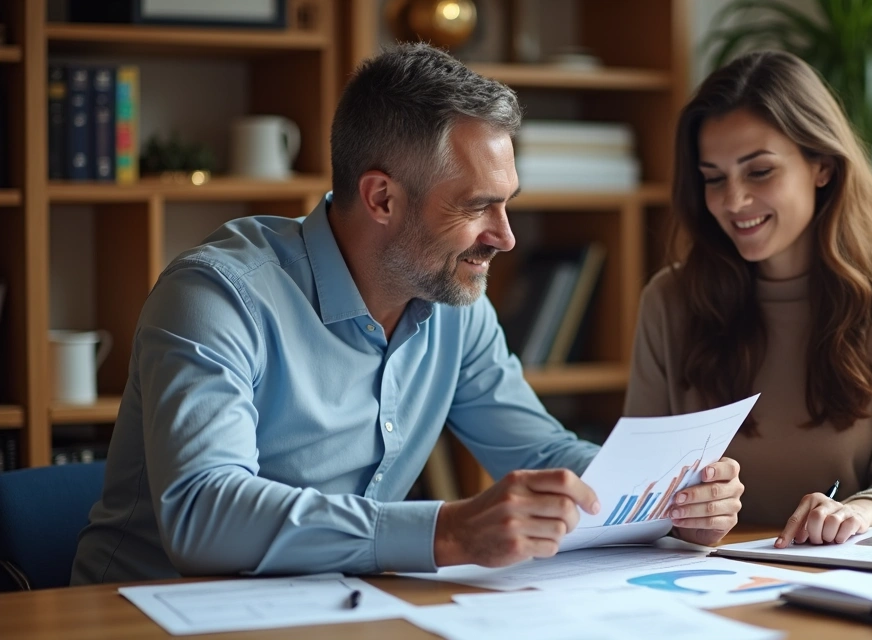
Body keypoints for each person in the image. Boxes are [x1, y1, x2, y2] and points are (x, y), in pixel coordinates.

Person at [72, 43, 743, 585]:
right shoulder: (217, 295)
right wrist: (445, 531)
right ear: (382, 199)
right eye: (478, 205)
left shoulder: (454, 301)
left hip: (336, 611)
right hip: (144, 615)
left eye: (507, 203)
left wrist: (666, 500)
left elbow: (543, 454)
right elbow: (202, 513)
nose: (505, 236)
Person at [623, 50, 872, 549]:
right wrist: (683, 517)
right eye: (713, 178)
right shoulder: (670, 300)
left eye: (759, 172)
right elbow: (640, 484)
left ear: (821, 165)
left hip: (839, 576)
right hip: (701, 580)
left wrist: (855, 514)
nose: (733, 201)